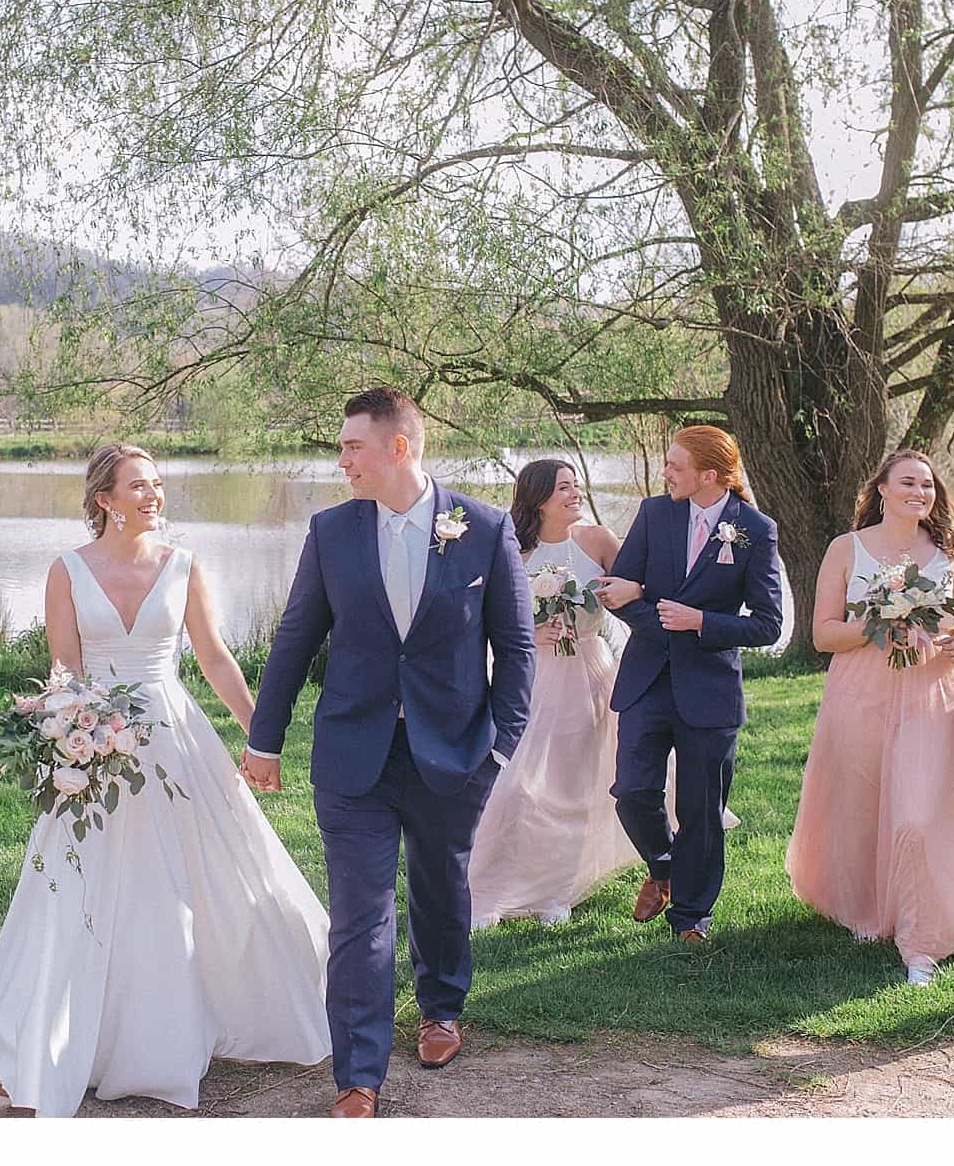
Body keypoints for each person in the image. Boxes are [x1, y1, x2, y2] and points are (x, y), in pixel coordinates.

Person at [0, 445, 331, 1113]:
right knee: (100, 877)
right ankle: (97, 1032)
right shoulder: (65, 571)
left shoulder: (184, 566)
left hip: (173, 734)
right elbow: (66, 669)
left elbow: (217, 659)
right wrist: (71, 736)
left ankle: (203, 1015)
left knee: (201, 872)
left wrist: (262, 736)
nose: (154, 495)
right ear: (104, 498)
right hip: (95, 741)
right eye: (139, 485)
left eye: (158, 485)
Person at [244, 387, 533, 1117]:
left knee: (440, 885)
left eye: (352, 447)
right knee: (359, 915)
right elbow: (295, 638)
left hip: (454, 752)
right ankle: (360, 1074)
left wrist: (499, 748)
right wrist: (264, 739)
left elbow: (517, 647)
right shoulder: (332, 532)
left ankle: (441, 1008)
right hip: (353, 755)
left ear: (397, 447)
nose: (342, 460)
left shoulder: (485, 528)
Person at [787, 450, 954, 982]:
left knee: (919, 815)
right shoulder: (846, 549)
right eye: (909, 483)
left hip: (932, 694)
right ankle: (869, 911)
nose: (921, 492)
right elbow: (824, 634)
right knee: (863, 804)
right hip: (860, 693)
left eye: (929, 485)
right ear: (883, 491)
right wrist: (877, 624)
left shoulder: (950, 554)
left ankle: (921, 941)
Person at [602, 424, 782, 940]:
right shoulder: (654, 514)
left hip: (710, 688)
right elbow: (619, 591)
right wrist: (662, 620)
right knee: (632, 791)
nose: (666, 473)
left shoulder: (755, 529)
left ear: (708, 474)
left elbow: (769, 623)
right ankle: (663, 868)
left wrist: (702, 621)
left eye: (675, 466)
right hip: (647, 679)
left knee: (701, 807)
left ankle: (691, 917)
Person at [467, 458, 635, 927]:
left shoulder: (598, 541)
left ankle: (555, 894)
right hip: (531, 677)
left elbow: (633, 595)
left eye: (576, 485)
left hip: (589, 672)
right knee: (514, 784)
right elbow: (483, 615)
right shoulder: (511, 550)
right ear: (538, 497)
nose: (575, 493)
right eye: (564, 487)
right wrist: (529, 631)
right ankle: (487, 887)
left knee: (574, 787)